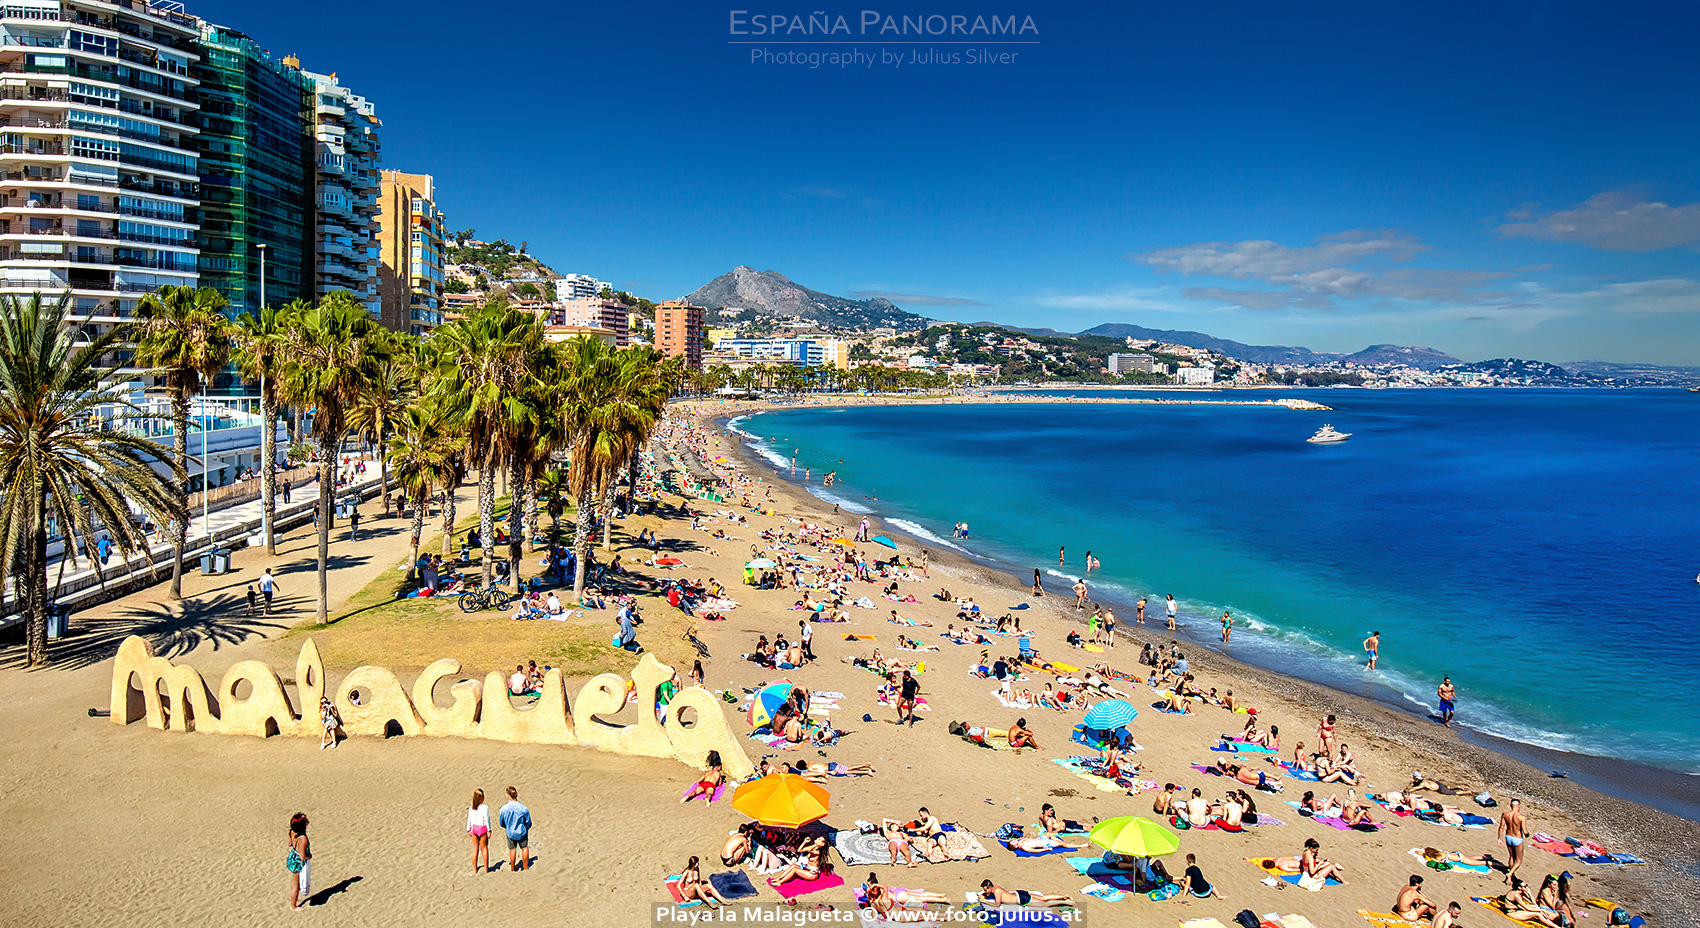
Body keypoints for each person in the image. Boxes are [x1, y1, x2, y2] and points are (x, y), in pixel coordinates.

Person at [498, 786, 532, 872]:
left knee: (512, 849)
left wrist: (507, 827)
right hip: (521, 831)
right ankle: (525, 867)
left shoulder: (503, 809)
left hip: (510, 832)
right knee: (524, 847)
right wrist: (526, 828)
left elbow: (501, 822)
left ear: (508, 795)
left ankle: (512, 868)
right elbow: (528, 822)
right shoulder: (523, 808)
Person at [979, 880, 1072, 909]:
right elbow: (988, 892)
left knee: (1044, 904)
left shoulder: (997, 892)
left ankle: (1067, 903)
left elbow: (997, 905)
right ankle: (1064, 896)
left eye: (985, 890)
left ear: (990, 888)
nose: (985, 892)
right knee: (1043, 898)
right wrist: (984, 894)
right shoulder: (995, 886)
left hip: (1022, 899)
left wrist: (985, 901)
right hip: (1019, 893)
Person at [1498, 797, 1527, 884]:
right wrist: (1528, 834)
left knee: (1511, 857)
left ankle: (1510, 877)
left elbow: (1501, 827)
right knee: (1518, 860)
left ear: (1511, 806)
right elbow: (1525, 831)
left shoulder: (1505, 814)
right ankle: (1510, 874)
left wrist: (1499, 838)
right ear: (1518, 806)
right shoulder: (1521, 817)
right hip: (1517, 838)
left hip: (1508, 837)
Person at [286, 812, 312, 910]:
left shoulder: (292, 832)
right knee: (296, 886)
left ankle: (291, 897)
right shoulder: (303, 839)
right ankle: (293, 906)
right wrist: (309, 857)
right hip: (297, 862)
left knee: (294, 882)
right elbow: (302, 856)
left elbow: (289, 844)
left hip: (292, 858)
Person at [466, 789, 491, 874]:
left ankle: (475, 869)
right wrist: (489, 830)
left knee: (475, 849)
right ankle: (486, 869)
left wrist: (468, 829)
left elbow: (469, 819)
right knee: (484, 848)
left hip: (474, 829)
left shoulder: (471, 808)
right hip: (482, 828)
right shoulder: (485, 807)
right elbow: (487, 819)